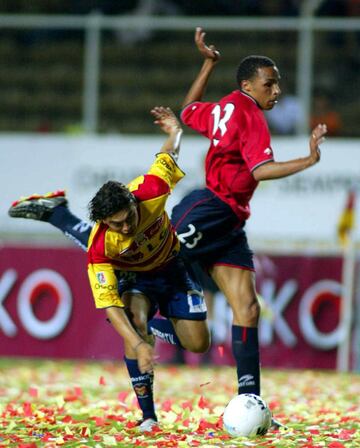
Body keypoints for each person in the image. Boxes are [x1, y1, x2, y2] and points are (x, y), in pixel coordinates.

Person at [9, 106, 210, 432]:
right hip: (136, 278)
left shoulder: (151, 190)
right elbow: (110, 307)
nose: (128, 226)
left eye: (130, 217)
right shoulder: (102, 246)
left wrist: (175, 131)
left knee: (199, 343)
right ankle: (148, 416)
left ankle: (57, 213)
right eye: (117, 224)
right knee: (132, 323)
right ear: (104, 222)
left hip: (174, 266)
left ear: (133, 200)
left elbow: (167, 154)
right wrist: (140, 343)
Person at [170, 27, 327, 425]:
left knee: (247, 308)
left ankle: (250, 401)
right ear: (248, 85)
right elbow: (263, 169)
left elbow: (188, 112)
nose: (275, 91)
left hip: (229, 217)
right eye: (269, 84)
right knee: (161, 257)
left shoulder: (226, 105)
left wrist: (208, 64)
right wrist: (307, 161)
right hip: (213, 207)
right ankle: (141, 306)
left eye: (277, 84)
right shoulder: (251, 114)